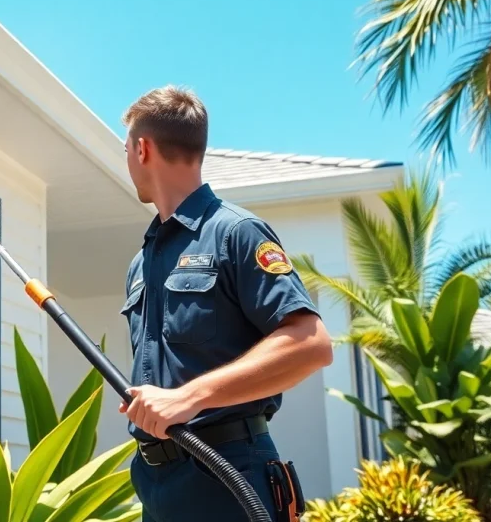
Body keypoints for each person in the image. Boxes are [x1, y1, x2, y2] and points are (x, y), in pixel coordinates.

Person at [118, 85, 334, 522]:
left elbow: (311, 343)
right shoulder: (141, 263)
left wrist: (190, 397)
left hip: (229, 475)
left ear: (142, 149)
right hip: (156, 482)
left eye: (126, 148)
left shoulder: (237, 233)